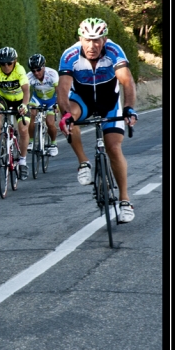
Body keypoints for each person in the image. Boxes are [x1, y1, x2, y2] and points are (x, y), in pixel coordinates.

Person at [56, 17, 138, 223]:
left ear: (105, 39)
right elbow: (63, 90)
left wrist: (128, 108)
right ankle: (84, 163)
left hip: (109, 102)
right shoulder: (70, 55)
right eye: (87, 40)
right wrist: (64, 113)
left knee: (113, 148)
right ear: (80, 38)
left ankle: (125, 200)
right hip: (81, 101)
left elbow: (127, 82)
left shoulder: (114, 51)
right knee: (69, 118)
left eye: (97, 40)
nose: (92, 45)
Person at [0, 46, 31, 180]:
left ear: (15, 62)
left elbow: (26, 90)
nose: (6, 66)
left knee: (23, 129)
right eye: (2, 63)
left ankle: (23, 161)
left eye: (9, 63)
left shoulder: (19, 70)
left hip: (20, 101)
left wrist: (24, 105)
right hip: (5, 100)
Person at [26, 53, 60, 156]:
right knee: (32, 115)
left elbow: (59, 91)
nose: (36, 73)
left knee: (50, 123)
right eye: (33, 70)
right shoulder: (29, 76)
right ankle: (31, 141)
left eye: (38, 69)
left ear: (44, 66)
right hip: (37, 99)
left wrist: (57, 105)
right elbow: (25, 92)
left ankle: (53, 144)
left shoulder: (52, 74)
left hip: (51, 100)